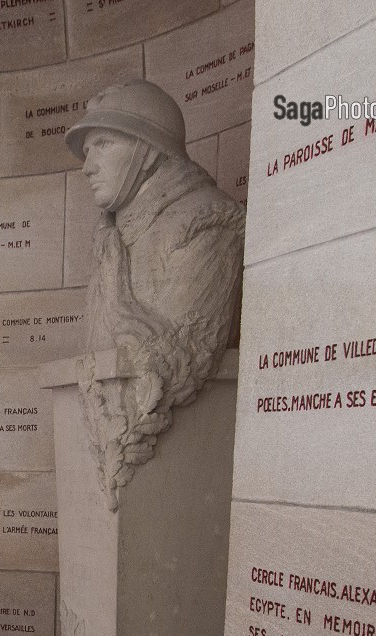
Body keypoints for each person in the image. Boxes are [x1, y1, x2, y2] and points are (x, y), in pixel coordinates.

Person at [63, 79, 245, 509]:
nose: (87, 166)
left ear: (147, 151)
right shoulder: (110, 240)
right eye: (87, 151)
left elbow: (173, 362)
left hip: (167, 477)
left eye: (103, 144)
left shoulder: (206, 221)